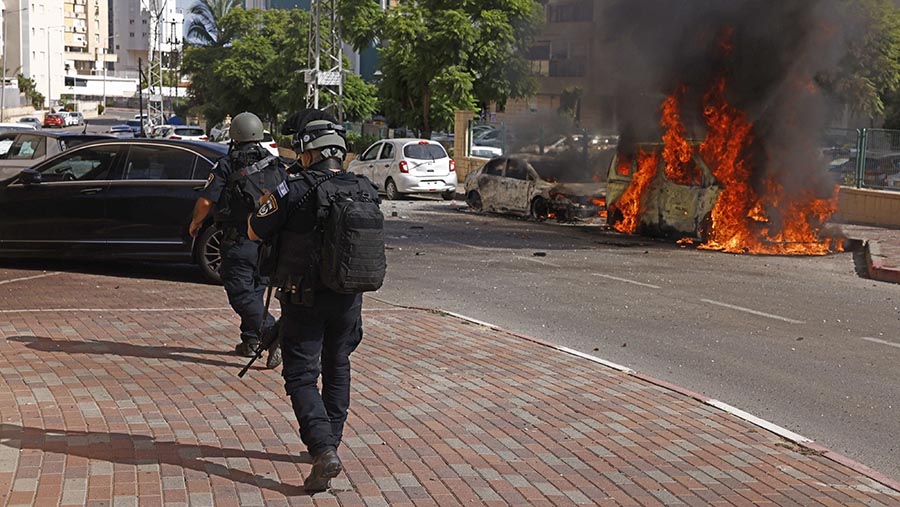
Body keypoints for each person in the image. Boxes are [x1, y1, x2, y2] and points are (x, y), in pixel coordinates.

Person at [247, 108, 381, 493]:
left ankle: (323, 450)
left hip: (303, 301)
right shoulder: (363, 188)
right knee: (338, 366)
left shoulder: (293, 188)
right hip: (348, 298)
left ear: (308, 151)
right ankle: (331, 444)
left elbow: (255, 230)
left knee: (302, 376)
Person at [189, 111, 284, 367]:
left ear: (235, 136)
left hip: (239, 239)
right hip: (267, 241)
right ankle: (251, 340)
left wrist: (196, 222)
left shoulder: (227, 164)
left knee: (240, 292)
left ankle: (273, 333)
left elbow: (207, 200)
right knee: (255, 290)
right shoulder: (275, 164)